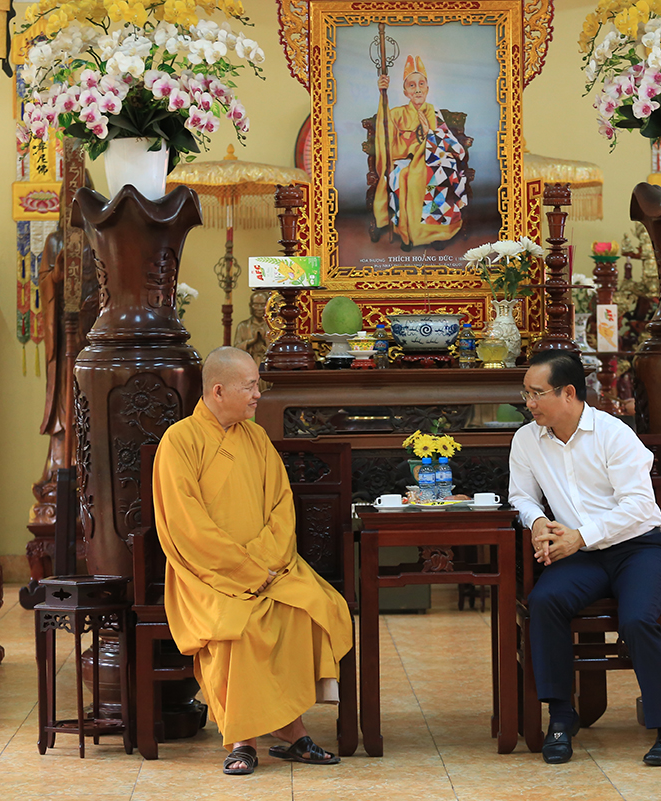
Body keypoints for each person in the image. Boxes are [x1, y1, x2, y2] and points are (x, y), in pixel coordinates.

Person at [153, 347, 353, 776]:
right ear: (218, 391)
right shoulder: (179, 442)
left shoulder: (256, 438)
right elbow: (187, 527)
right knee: (238, 628)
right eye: (249, 386)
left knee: (306, 608)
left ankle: (292, 730)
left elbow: (282, 507)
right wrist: (245, 572)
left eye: (257, 384)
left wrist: (264, 566)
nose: (258, 394)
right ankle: (243, 740)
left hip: (272, 569)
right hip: (206, 575)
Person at [508, 350, 661, 767]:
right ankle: (561, 716)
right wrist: (537, 522)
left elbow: (638, 507)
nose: (529, 403)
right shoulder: (527, 440)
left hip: (637, 549)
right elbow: (521, 495)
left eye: (537, 393)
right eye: (526, 393)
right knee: (544, 602)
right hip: (581, 556)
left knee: (637, 620)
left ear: (568, 393)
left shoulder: (613, 434)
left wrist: (581, 536)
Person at [372, 54, 468, 251]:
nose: (417, 89)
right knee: (405, 176)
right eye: (412, 85)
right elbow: (385, 136)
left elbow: (451, 144)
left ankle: (437, 232)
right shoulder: (396, 114)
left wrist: (429, 134)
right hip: (404, 162)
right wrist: (383, 95)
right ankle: (407, 233)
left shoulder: (433, 112)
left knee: (439, 173)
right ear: (406, 92)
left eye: (421, 84)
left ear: (427, 88)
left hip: (431, 160)